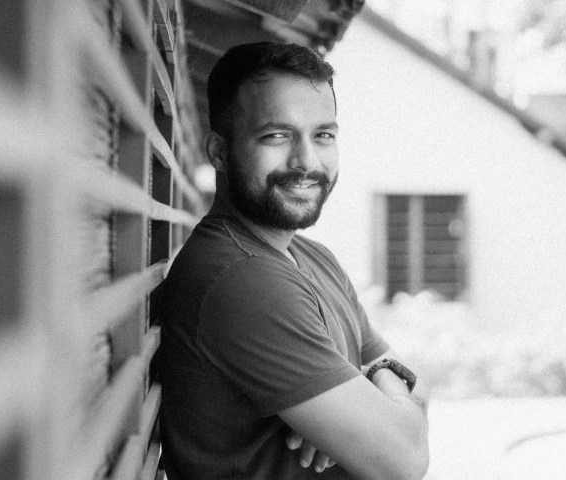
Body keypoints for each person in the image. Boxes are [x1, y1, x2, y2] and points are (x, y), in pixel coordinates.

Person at [158, 42, 429, 480]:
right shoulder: (241, 278)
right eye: (277, 136)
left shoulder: (313, 258)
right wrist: (369, 403)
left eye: (323, 135)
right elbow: (405, 458)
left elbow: (413, 387)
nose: (307, 161)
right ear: (219, 152)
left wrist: (376, 379)